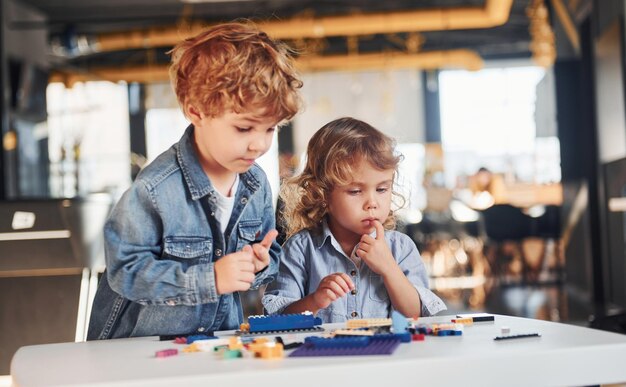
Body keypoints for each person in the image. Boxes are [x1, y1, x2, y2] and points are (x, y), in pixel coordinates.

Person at [87, 22, 302, 339]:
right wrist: (211, 279)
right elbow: (125, 271)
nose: (259, 144)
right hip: (139, 348)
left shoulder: (256, 183)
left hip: (211, 342)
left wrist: (258, 264)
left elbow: (267, 257)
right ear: (196, 111)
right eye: (244, 128)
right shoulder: (155, 188)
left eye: (270, 129)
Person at [262, 117, 446, 322]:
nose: (372, 203)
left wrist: (389, 268)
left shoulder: (401, 248)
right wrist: (314, 301)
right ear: (322, 194)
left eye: (382, 189)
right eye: (356, 191)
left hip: (388, 353)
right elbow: (277, 320)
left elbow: (416, 315)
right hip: (322, 353)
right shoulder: (300, 250)